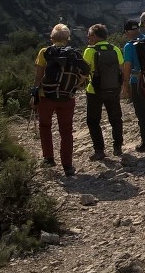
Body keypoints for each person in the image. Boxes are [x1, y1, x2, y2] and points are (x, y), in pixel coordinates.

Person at [31, 23, 86, 177]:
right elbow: (85, 74)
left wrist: (34, 93)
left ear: (52, 37)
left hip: (46, 96)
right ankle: (67, 166)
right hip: (67, 97)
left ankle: (48, 158)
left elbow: (38, 76)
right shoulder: (75, 53)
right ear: (68, 38)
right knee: (66, 131)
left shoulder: (44, 52)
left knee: (45, 126)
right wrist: (74, 86)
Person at [84, 24, 125, 160]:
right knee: (116, 119)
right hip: (113, 89)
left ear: (95, 36)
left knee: (93, 121)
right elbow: (121, 69)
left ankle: (99, 150)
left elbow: (84, 71)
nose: (88, 38)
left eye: (89, 35)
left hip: (94, 90)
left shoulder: (89, 51)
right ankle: (118, 147)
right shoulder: (115, 49)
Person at [122, 19, 145, 151]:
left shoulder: (129, 46)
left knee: (141, 113)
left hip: (137, 82)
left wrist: (125, 86)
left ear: (127, 32)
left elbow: (127, 66)